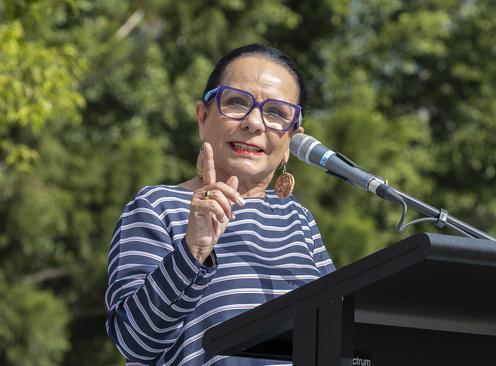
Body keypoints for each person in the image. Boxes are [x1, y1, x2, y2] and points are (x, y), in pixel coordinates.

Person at [105, 44, 336, 366]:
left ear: (291, 141)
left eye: (275, 113)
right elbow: (134, 342)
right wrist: (194, 251)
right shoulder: (158, 207)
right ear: (203, 117)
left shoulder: (298, 219)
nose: (255, 123)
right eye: (237, 103)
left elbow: (340, 332)